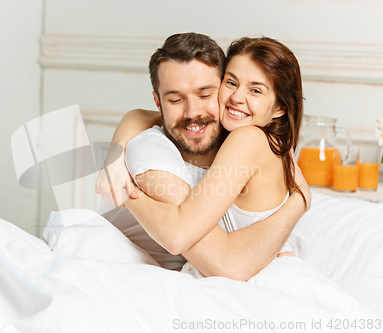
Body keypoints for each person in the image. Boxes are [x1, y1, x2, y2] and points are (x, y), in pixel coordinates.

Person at [96, 33, 310, 281]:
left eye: (255, 90)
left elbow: (180, 236)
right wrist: (115, 155)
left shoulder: (248, 139)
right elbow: (141, 116)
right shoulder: (265, 141)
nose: (238, 97)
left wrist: (125, 190)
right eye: (232, 83)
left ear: (280, 107)